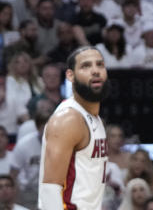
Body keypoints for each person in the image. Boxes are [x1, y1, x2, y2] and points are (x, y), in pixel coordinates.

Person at [38, 47, 108, 210]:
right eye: (86, 66)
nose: (95, 71)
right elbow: (50, 189)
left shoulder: (93, 117)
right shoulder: (68, 120)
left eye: (100, 65)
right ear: (70, 76)